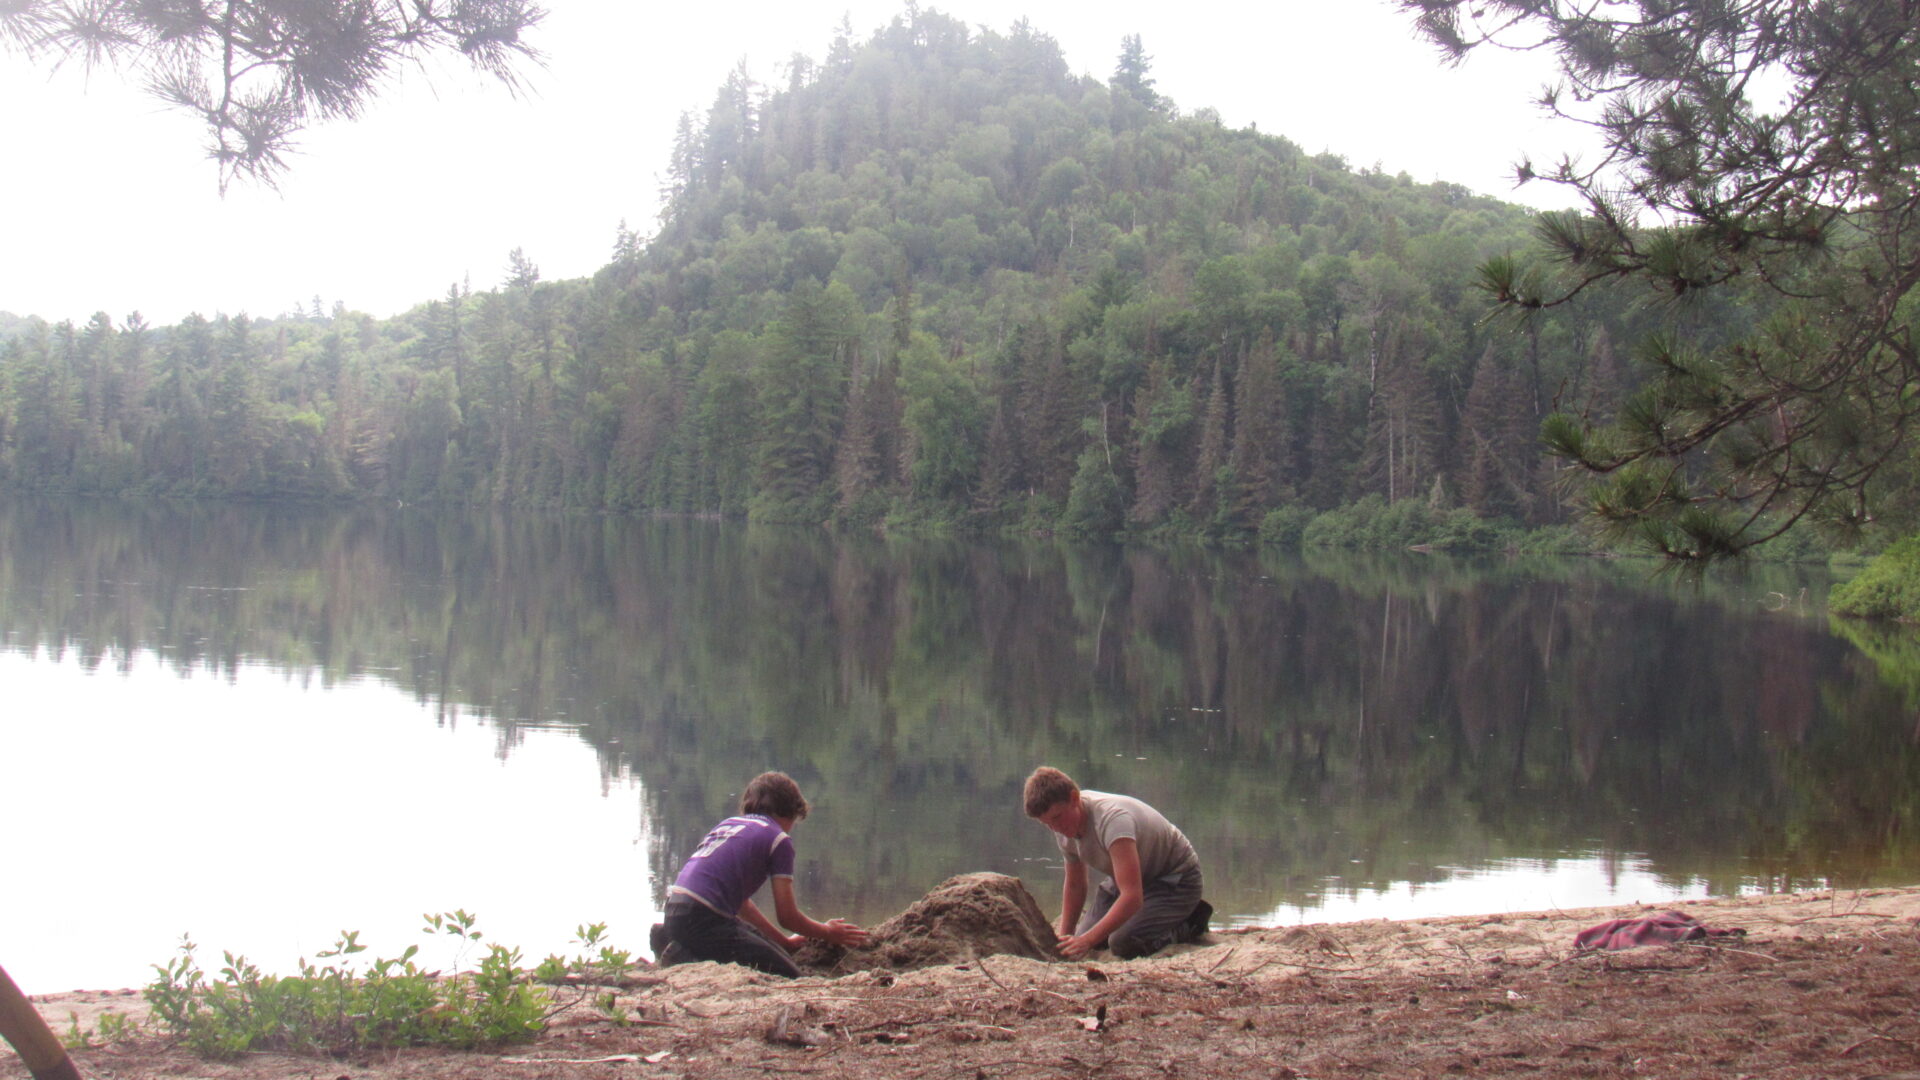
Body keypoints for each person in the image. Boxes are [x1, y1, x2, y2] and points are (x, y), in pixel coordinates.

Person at [655, 771, 868, 977]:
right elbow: (787, 917)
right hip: (704, 919)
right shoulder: (778, 839)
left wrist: (784, 944)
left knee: (770, 950)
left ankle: (682, 946)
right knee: (789, 975)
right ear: (791, 811)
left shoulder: (728, 824)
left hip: (676, 911)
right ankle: (684, 956)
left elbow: (742, 905)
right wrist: (828, 932)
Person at [1022, 766, 1211, 960]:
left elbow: (1132, 896)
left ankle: (1188, 923)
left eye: (1057, 818)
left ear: (1074, 799)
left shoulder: (1113, 821)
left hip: (1176, 880)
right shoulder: (1064, 825)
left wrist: (1087, 941)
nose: (1056, 828)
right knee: (1085, 938)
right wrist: (1065, 939)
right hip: (1131, 877)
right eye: (1047, 824)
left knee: (1122, 942)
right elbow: (1075, 885)